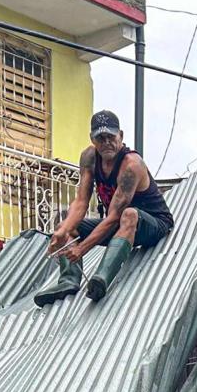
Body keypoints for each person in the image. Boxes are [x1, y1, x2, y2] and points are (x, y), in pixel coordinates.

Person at [35, 110, 174, 307]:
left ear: (121, 136)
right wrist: (62, 232)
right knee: (66, 223)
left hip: (152, 224)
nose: (106, 142)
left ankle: (101, 279)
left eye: (111, 136)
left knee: (129, 214)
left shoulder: (131, 165)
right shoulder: (89, 158)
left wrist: (82, 248)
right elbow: (82, 201)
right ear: (92, 139)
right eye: (101, 138)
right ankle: (68, 280)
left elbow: (113, 217)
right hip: (120, 226)